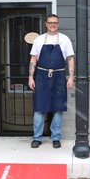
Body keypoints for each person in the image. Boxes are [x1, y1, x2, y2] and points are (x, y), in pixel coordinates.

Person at [28, 14, 75, 148]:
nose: (52, 25)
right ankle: (37, 138)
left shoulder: (65, 39)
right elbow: (33, 60)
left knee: (58, 108)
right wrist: (31, 77)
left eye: (55, 22)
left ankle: (56, 138)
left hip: (59, 77)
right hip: (41, 77)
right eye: (50, 22)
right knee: (39, 108)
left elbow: (70, 59)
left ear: (58, 24)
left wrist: (71, 77)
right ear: (46, 24)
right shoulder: (39, 39)